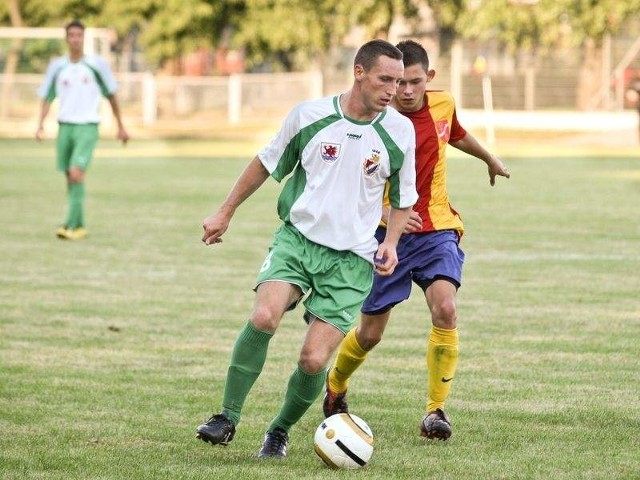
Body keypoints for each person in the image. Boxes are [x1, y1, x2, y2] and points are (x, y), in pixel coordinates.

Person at [195, 39, 418, 459]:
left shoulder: (399, 132)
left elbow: (404, 196)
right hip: (297, 240)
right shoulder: (309, 115)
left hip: (352, 259)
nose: (393, 90)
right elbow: (266, 163)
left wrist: (390, 243)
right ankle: (226, 416)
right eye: (385, 79)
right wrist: (226, 211)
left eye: (399, 81)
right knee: (264, 316)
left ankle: (278, 431)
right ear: (359, 72)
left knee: (314, 361)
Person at [323, 39, 511, 441]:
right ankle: (335, 385)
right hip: (385, 235)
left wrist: (489, 158)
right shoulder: (373, 118)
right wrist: (385, 213)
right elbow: (347, 178)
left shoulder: (443, 104)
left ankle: (435, 411)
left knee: (446, 307)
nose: (405, 92)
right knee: (370, 334)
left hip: (436, 227)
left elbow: (454, 134)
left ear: (429, 78)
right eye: (398, 83)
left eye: (413, 82)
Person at [36, 19, 130, 240]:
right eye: (71, 35)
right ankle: (76, 225)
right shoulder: (58, 66)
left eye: (79, 35)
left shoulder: (96, 65)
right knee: (70, 176)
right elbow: (48, 96)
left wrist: (121, 126)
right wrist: (40, 124)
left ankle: (72, 226)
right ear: (66, 38)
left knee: (77, 174)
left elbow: (111, 95)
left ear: (84, 38)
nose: (75, 39)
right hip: (64, 126)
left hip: (87, 126)